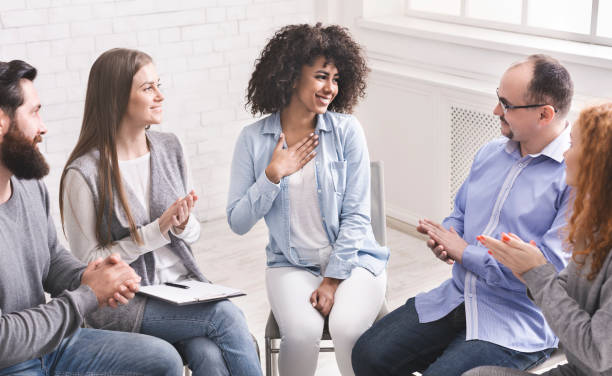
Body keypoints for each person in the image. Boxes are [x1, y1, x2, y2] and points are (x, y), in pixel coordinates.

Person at [352, 54, 574, 376]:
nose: (496, 110)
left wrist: (466, 253)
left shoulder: (575, 179)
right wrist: (446, 238)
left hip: (518, 321)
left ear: (544, 114)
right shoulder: (490, 154)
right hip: (458, 295)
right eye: (498, 99)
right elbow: (460, 213)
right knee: (368, 355)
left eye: (506, 104)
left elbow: (547, 274)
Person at [59, 48, 261, 376]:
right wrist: (155, 232)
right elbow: (88, 268)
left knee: (209, 355)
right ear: (116, 98)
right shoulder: (84, 174)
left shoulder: (170, 147)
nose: (160, 95)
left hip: (183, 289)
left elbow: (192, 232)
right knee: (226, 317)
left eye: (158, 84)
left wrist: (181, 226)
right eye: (147, 88)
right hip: (124, 304)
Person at [0, 59, 184, 376]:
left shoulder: (28, 186)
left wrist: (93, 276)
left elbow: (52, 258)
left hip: (53, 345)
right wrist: (87, 296)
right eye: (34, 112)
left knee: (162, 360)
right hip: (10, 362)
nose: (43, 127)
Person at [227, 23, 389, 376]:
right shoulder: (253, 140)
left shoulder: (347, 131)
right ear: (289, 76)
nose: (330, 88)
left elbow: (358, 217)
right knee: (301, 334)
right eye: (320, 76)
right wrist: (271, 176)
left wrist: (332, 280)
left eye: (335, 79)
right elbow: (237, 222)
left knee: (348, 329)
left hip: (355, 261)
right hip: (290, 263)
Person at [465, 103, 612, 376]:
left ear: (599, 160)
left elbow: (597, 354)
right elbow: (567, 292)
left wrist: (538, 274)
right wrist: (527, 271)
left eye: (574, 145)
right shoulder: (596, 227)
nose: (566, 154)